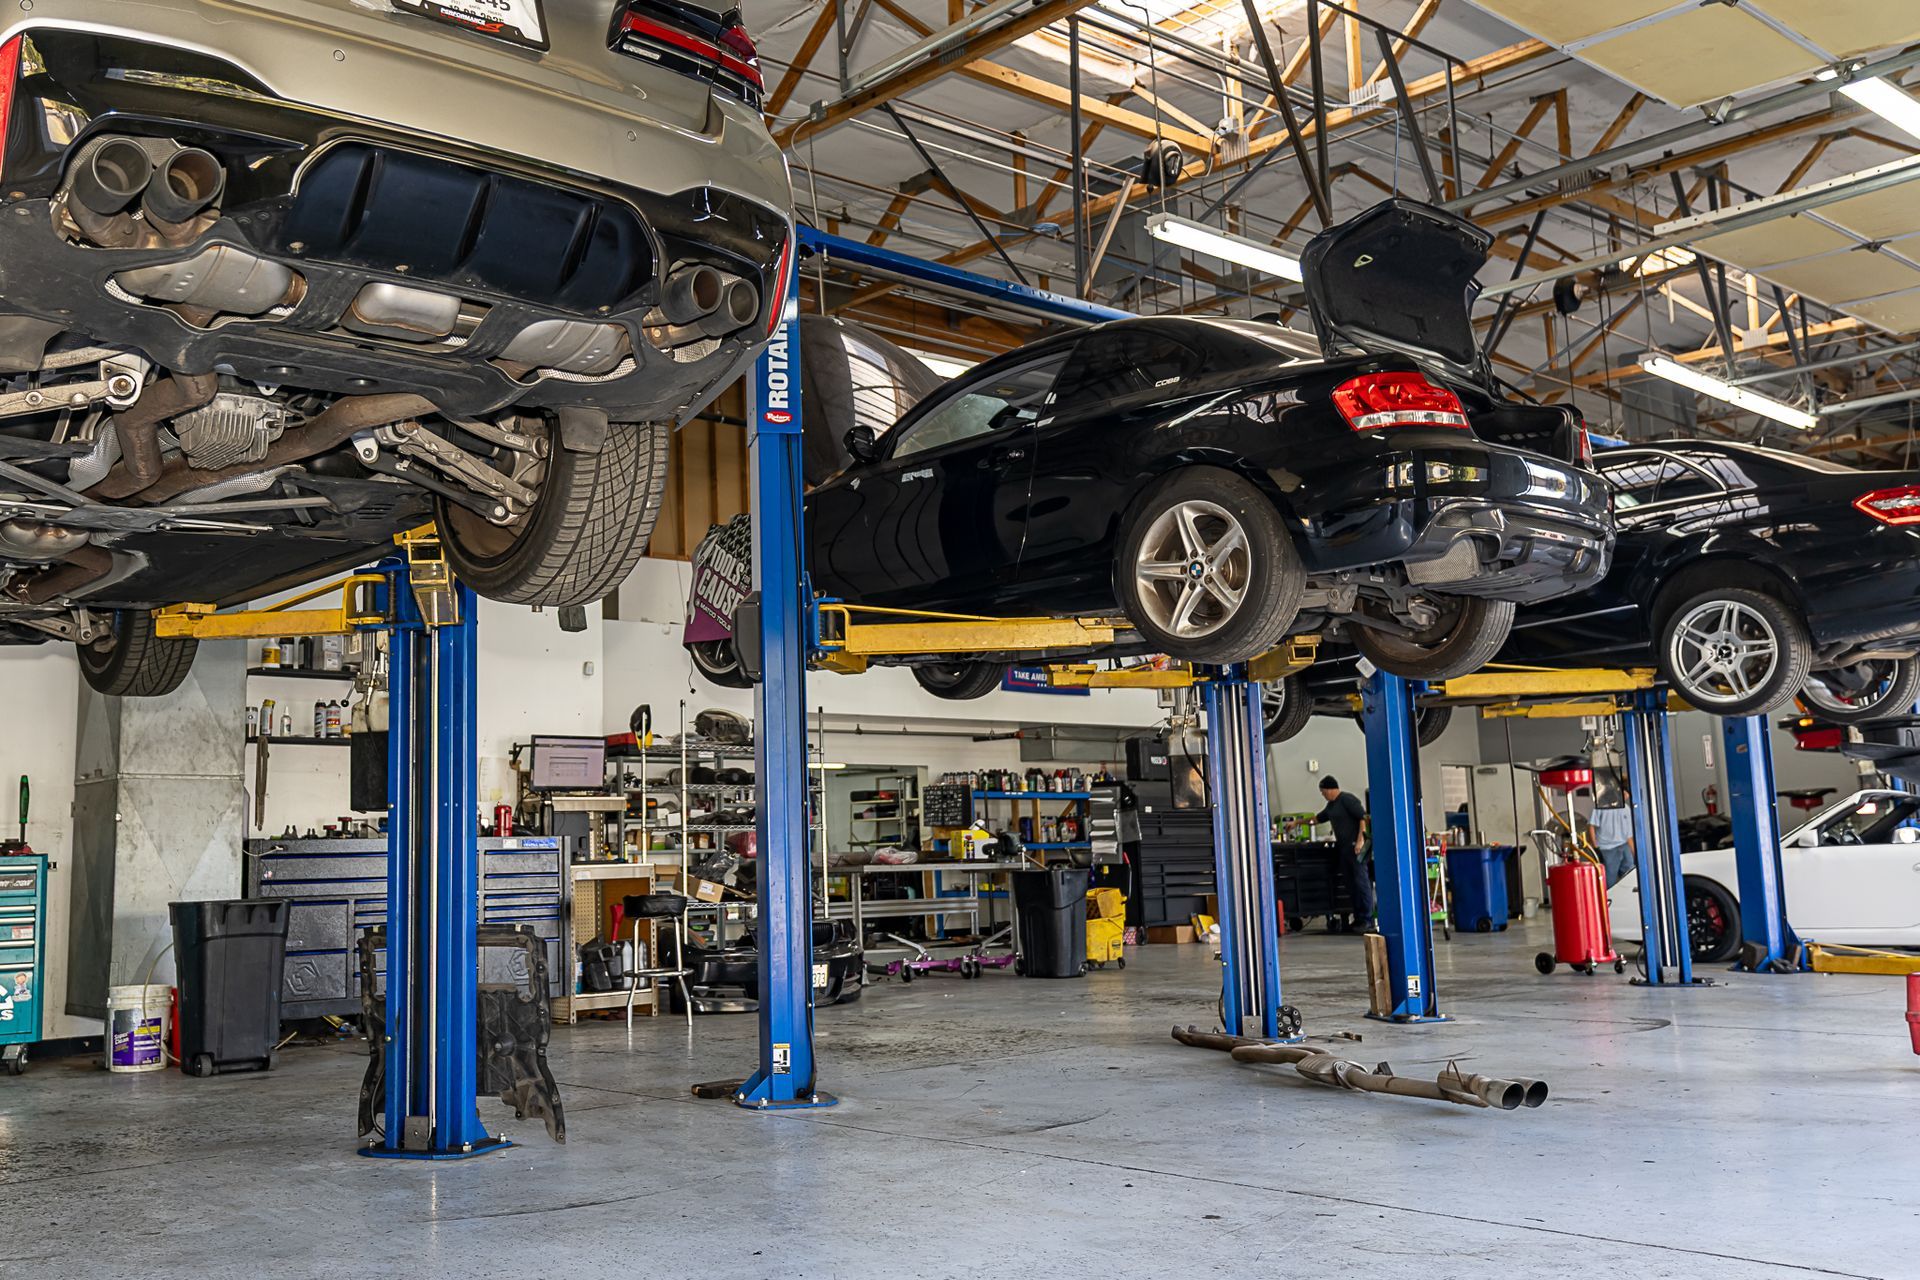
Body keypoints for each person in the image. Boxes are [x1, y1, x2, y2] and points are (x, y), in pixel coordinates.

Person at [1317, 776, 1373, 928]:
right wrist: (1296, 823)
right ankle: (1358, 917)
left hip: (1356, 848)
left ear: (1330, 789)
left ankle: (1367, 919)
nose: (1323, 795)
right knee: (1350, 884)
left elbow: (1362, 817)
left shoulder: (1347, 800)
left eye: (1323, 792)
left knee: (1361, 882)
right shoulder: (1331, 806)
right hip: (1344, 849)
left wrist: (1361, 840)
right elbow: (1318, 819)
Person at [1588, 801, 1636, 886]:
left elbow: (1629, 836)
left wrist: (1634, 855)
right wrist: (1595, 847)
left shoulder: (1626, 809)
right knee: (1610, 881)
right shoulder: (1600, 806)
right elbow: (1591, 826)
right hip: (1607, 848)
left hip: (1624, 845)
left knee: (1630, 877)